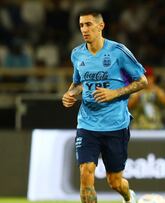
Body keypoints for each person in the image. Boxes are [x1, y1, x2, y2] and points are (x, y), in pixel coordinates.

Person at [61, 9, 148, 203]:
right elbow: (78, 84)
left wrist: (114, 93)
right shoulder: (77, 54)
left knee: (115, 181)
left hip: (115, 124)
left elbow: (142, 81)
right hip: (87, 124)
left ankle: (128, 195)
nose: (84, 29)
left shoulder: (118, 52)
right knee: (86, 173)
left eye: (89, 24)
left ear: (101, 26)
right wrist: (70, 95)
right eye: (81, 25)